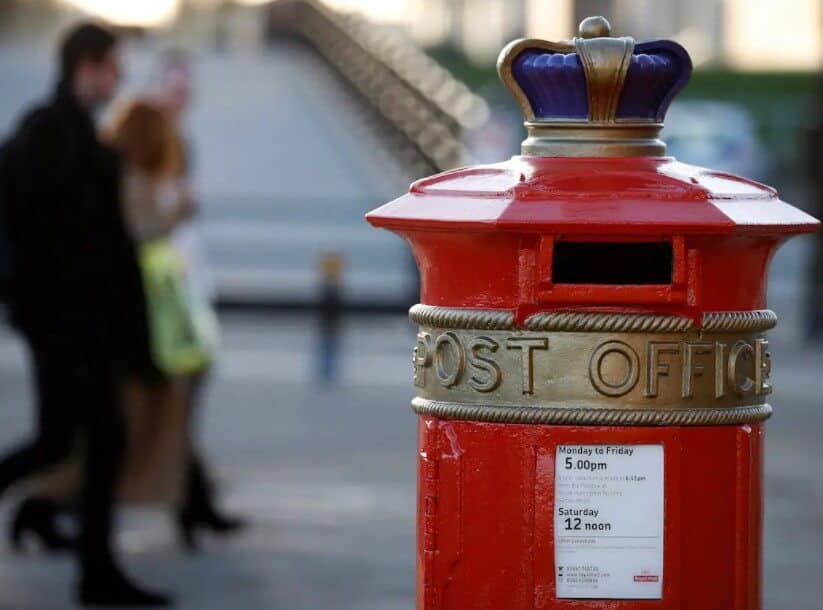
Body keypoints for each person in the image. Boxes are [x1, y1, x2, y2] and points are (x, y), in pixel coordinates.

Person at [0, 23, 171, 606]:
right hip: (66, 325)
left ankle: (98, 571)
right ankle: (97, 574)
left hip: (79, 325)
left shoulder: (75, 136)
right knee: (99, 438)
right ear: (89, 65)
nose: (120, 78)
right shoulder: (47, 133)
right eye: (113, 66)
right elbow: (38, 238)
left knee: (64, 440)